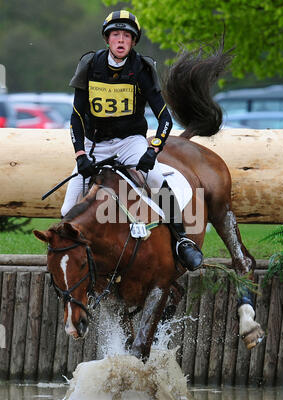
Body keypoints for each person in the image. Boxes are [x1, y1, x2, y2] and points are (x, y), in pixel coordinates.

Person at [61, 10, 203, 271]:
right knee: (68, 206)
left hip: (130, 142)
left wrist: (154, 148)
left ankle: (182, 240)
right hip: (95, 145)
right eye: (116, 34)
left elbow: (165, 119)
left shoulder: (142, 68)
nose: (121, 40)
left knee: (156, 179)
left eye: (127, 36)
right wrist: (80, 155)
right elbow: (77, 117)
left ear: (133, 42)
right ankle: (66, 260)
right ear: (107, 39)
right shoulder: (90, 65)